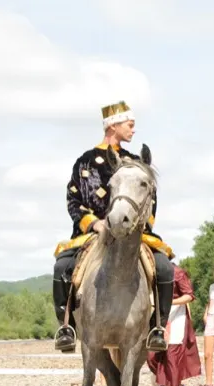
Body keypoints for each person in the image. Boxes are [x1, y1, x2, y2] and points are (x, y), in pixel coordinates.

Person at [52, 100, 174, 353]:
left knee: (164, 268)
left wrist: (140, 226)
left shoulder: (135, 162)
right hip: (95, 233)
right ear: (113, 125)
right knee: (62, 266)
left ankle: (156, 327)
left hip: (131, 233)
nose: (133, 130)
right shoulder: (85, 162)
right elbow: (74, 199)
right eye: (130, 125)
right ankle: (67, 327)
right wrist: (93, 224)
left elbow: (150, 201)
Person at [146, 263, 202, 386]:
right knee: (152, 356)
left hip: (177, 317)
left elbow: (189, 295)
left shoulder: (177, 272)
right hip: (158, 317)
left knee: (172, 356)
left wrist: (170, 302)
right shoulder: (149, 272)